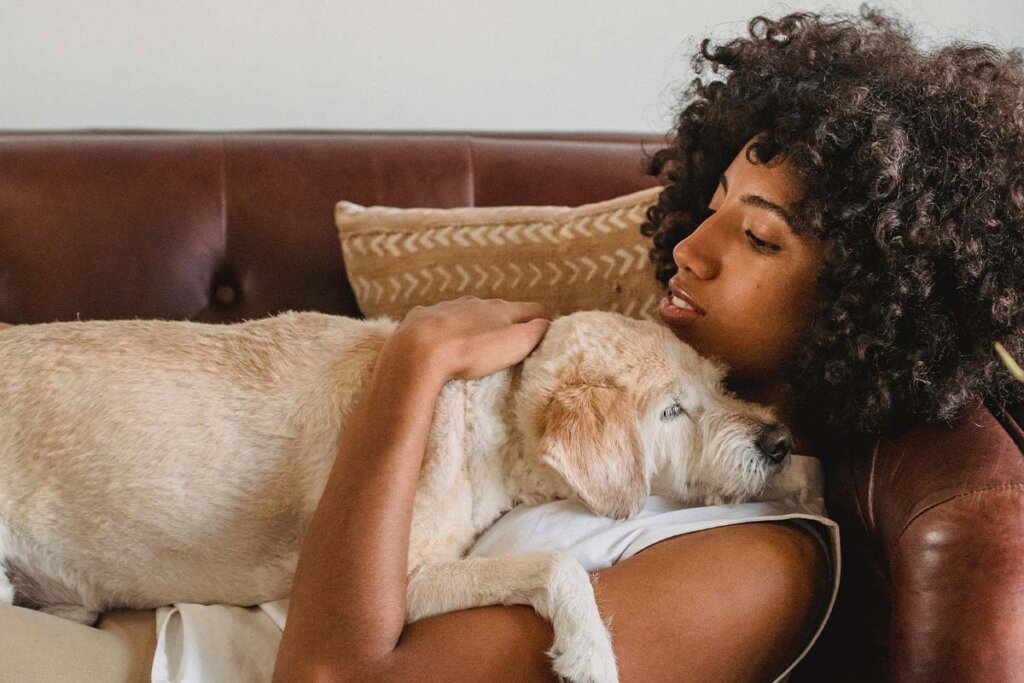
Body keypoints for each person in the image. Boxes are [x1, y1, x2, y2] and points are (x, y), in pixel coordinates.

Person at [269, 6, 1023, 682]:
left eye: (759, 237)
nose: (691, 247)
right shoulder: (632, 409)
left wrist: (415, 361)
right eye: (714, 201)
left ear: (862, 303)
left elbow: (329, 675)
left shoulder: (755, 569)